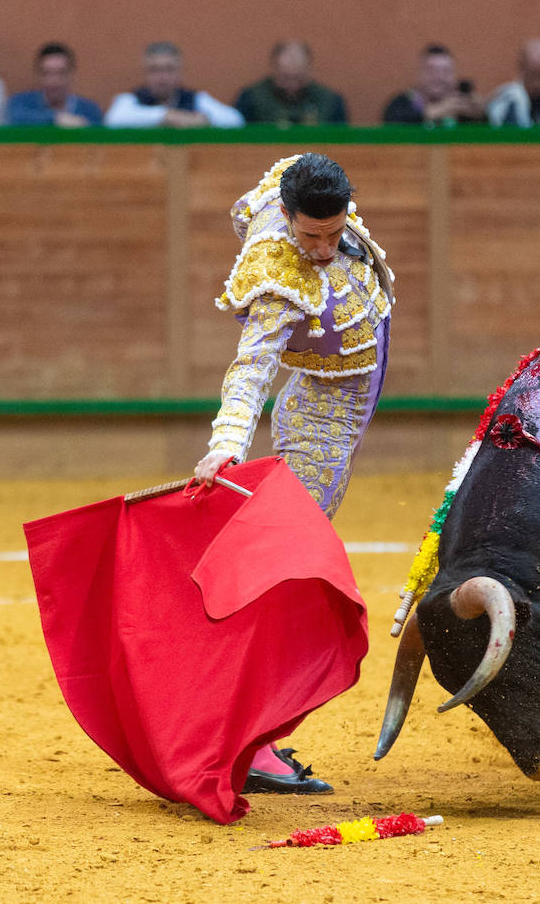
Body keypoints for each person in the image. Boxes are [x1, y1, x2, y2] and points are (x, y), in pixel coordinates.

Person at [194, 153, 393, 793]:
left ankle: (250, 730)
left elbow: (243, 205)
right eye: (311, 236)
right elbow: (250, 370)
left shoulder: (294, 183)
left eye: (336, 234)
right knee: (289, 577)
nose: (324, 250)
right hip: (322, 422)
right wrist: (226, 443)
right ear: (288, 218)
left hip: (328, 403)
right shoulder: (279, 275)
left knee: (289, 568)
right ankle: (255, 742)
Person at [104, 42, 243, 128]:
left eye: (169, 69)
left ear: (180, 72)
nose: (162, 77)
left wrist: (205, 119)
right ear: (145, 73)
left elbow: (235, 120)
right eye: (155, 70)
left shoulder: (196, 99)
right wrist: (167, 116)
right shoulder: (131, 99)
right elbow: (113, 120)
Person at [233, 40, 347, 126]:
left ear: (309, 71)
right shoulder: (251, 99)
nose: (292, 85)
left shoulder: (330, 102)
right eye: (285, 78)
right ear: (274, 70)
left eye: (299, 79)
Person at [382, 44, 486, 126]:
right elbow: (392, 121)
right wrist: (437, 111)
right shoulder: (404, 102)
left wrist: (481, 115)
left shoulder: (461, 107)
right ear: (420, 74)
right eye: (431, 71)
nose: (439, 77)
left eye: (446, 71)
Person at [7, 42, 103, 127]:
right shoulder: (20, 104)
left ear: (72, 75)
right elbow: (15, 118)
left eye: (61, 73)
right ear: (37, 75)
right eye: (47, 73)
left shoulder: (89, 110)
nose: (54, 81)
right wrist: (56, 119)